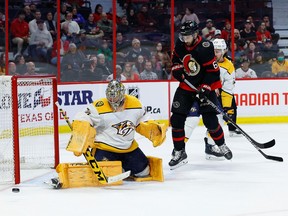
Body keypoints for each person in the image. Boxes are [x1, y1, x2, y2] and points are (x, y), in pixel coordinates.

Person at [70, 80, 167, 178]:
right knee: (109, 173)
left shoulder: (135, 104)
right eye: (110, 95)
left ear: (122, 94)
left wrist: (155, 129)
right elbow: (82, 116)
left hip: (128, 148)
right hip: (105, 148)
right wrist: (81, 134)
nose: (111, 99)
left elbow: (143, 121)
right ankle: (120, 169)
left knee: (144, 172)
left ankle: (124, 168)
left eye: (115, 96)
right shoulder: (99, 106)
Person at [169, 21, 232, 170]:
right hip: (187, 85)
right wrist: (177, 68)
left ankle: (221, 145)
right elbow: (176, 60)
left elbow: (213, 71)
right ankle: (179, 152)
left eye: (188, 35)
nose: (185, 38)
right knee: (176, 119)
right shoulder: (180, 44)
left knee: (210, 120)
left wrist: (205, 87)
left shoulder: (205, 47)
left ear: (196, 34)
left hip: (205, 84)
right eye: (183, 36)